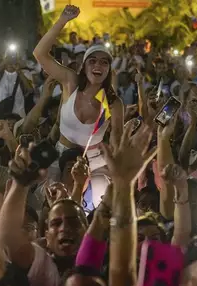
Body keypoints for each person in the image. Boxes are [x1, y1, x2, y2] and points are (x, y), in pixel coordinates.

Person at [33, 5, 123, 207]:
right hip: (59, 155)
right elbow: (39, 53)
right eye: (92, 61)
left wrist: (115, 171)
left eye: (104, 63)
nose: (98, 66)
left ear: (109, 70)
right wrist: (63, 20)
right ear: (83, 66)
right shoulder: (70, 82)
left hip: (94, 160)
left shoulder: (114, 103)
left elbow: (116, 139)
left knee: (98, 208)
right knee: (48, 203)